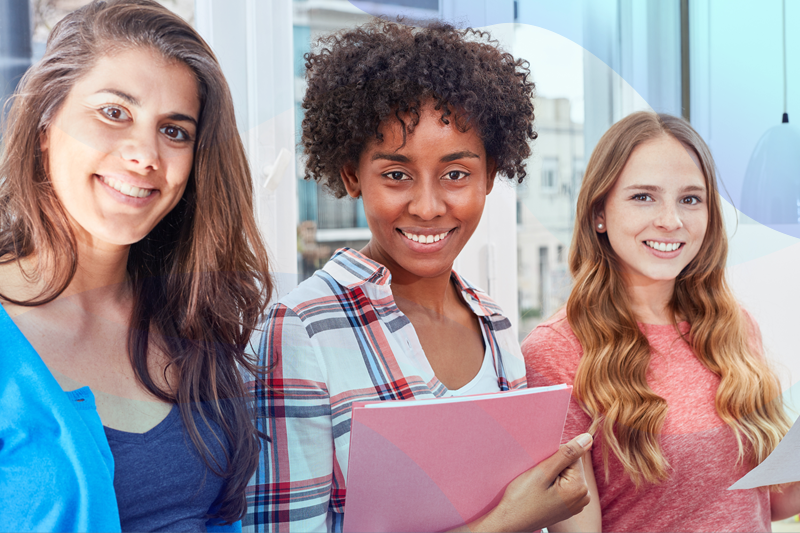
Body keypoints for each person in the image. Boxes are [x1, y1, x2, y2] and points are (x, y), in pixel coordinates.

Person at [247, 20, 593, 532]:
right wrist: (509, 521)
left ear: (490, 174)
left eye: (456, 174)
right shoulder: (299, 330)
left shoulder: (494, 325)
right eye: (395, 175)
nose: (428, 206)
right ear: (351, 175)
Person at [0, 1, 271, 531]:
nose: (145, 155)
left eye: (174, 131)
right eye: (113, 112)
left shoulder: (190, 317)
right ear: (44, 126)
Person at [522, 111, 800, 532]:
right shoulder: (556, 353)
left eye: (690, 199)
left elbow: (764, 503)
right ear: (599, 212)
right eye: (643, 197)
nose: (671, 220)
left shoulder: (734, 327)